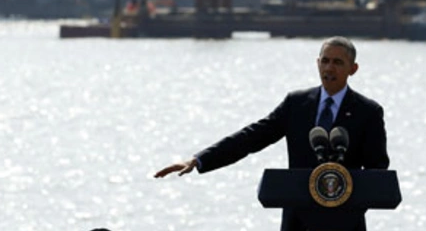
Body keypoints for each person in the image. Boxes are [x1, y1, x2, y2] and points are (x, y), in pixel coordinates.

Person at [154, 36, 389, 231]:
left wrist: (348, 206)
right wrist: (199, 160)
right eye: (325, 61)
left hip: (346, 223)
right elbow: (252, 137)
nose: (329, 68)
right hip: (297, 221)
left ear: (353, 69)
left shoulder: (368, 112)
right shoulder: (296, 104)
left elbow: (377, 171)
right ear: (317, 63)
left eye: (337, 62)